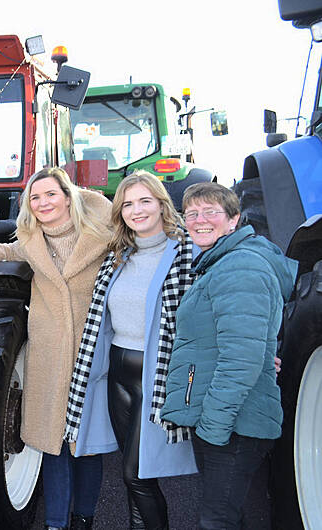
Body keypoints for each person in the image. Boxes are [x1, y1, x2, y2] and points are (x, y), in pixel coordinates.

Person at [64, 172, 197, 530]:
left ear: (161, 204)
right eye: (127, 204)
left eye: (145, 201)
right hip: (118, 373)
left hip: (156, 373)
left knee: (135, 473)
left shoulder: (187, 251)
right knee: (136, 475)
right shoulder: (118, 255)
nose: (136, 210)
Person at [161, 182, 296, 529]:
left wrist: (213, 426)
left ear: (234, 220)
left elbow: (241, 359)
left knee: (216, 521)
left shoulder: (240, 268)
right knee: (226, 516)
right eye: (191, 213)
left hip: (234, 423)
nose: (199, 220)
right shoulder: (222, 263)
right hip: (229, 418)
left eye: (211, 212)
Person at [0, 167, 111, 530]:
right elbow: (2, 249)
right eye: (35, 198)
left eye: (50, 194)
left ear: (69, 196)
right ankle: (55, 523)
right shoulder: (31, 241)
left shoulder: (102, 234)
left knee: (86, 444)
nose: (43, 203)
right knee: (51, 442)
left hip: (90, 353)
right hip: (48, 353)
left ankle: (83, 518)